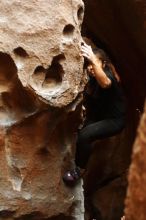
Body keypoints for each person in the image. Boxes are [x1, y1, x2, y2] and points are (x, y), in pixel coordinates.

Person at [63, 42, 126, 185]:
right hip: (100, 116)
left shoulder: (108, 75)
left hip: (115, 121)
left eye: (94, 63)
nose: (91, 67)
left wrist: (92, 57)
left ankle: (79, 171)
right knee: (80, 133)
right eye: (89, 64)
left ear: (102, 64)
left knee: (86, 135)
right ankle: (76, 158)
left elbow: (105, 83)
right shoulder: (92, 77)